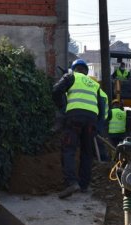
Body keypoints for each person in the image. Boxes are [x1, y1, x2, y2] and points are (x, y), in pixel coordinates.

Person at [52, 59, 105, 199]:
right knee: (87, 153)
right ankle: (84, 185)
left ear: (74, 69)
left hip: (74, 118)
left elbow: (56, 90)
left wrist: (63, 108)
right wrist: (97, 126)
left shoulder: (71, 77)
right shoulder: (95, 84)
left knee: (69, 149)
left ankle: (71, 182)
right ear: (86, 71)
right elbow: (102, 106)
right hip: (91, 120)